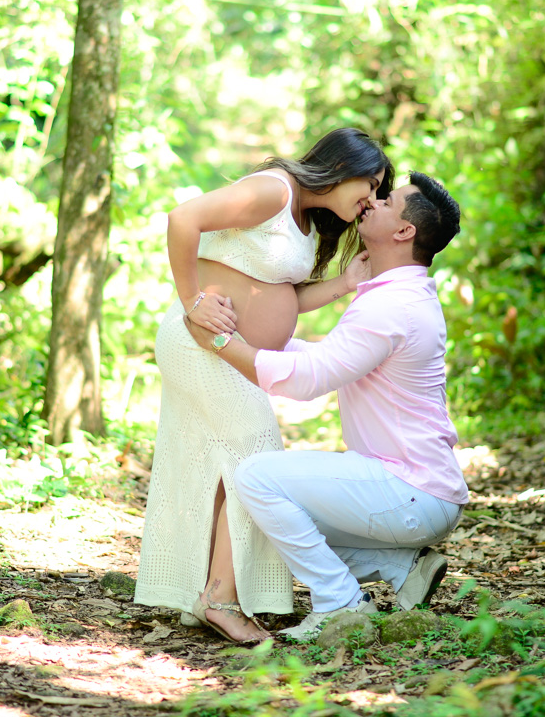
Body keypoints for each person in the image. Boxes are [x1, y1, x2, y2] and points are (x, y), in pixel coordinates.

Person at [134, 128, 395, 643]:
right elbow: (183, 217)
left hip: (225, 354)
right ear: (343, 166)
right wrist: (192, 301)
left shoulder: (303, 216)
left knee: (223, 467)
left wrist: (343, 284)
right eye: (371, 183)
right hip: (200, 344)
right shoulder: (274, 190)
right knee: (259, 460)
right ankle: (220, 599)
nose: (372, 199)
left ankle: (203, 593)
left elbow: (283, 296)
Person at [184, 171, 467, 640]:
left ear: (404, 232)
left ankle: (340, 604)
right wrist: (253, 340)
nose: (372, 202)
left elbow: (310, 380)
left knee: (256, 478)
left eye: (388, 201)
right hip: (413, 488)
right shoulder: (397, 296)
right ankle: (401, 566)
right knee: (278, 516)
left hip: (408, 490)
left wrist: (220, 340)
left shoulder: (391, 308)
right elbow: (323, 359)